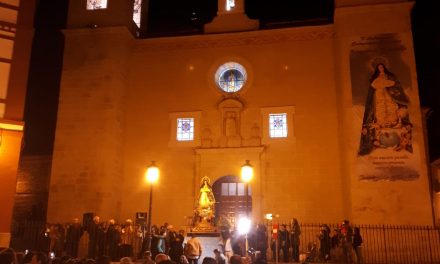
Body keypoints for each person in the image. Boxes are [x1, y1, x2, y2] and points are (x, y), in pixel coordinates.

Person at [359, 62, 411, 155]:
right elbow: (373, 86)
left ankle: (392, 124)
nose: (380, 68)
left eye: (382, 67)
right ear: (377, 69)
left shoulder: (390, 76)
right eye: (379, 67)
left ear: (384, 67)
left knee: (391, 107)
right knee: (381, 109)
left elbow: (395, 84)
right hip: (379, 95)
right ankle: (383, 125)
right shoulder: (375, 78)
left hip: (388, 94)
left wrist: (388, 84)